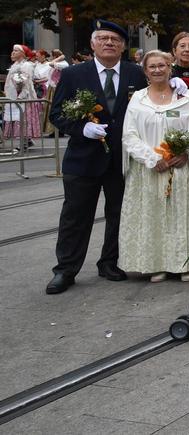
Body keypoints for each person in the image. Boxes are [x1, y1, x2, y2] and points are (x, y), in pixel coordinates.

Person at [46, 20, 149, 294]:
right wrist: (82, 128)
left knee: (118, 214)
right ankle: (65, 269)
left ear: (124, 46)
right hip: (83, 158)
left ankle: (110, 262)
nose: (109, 43)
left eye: (115, 39)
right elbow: (57, 114)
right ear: (92, 44)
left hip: (121, 159)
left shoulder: (136, 74)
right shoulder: (73, 75)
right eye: (102, 38)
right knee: (75, 216)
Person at [118, 50, 189, 282]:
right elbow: (129, 135)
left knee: (182, 215)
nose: (157, 70)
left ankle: (187, 263)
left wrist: (187, 153)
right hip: (150, 169)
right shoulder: (138, 99)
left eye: (162, 65)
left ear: (170, 67)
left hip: (180, 168)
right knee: (154, 216)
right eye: (152, 67)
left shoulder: (184, 98)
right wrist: (151, 158)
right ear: (145, 71)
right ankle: (156, 263)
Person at [4, 44, 38, 150]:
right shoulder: (14, 65)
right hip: (13, 96)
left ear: (23, 54)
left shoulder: (26, 65)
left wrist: (21, 95)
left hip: (23, 98)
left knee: (22, 120)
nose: (13, 53)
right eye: (13, 50)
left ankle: (24, 142)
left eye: (16, 51)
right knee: (17, 119)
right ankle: (27, 141)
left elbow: (26, 83)